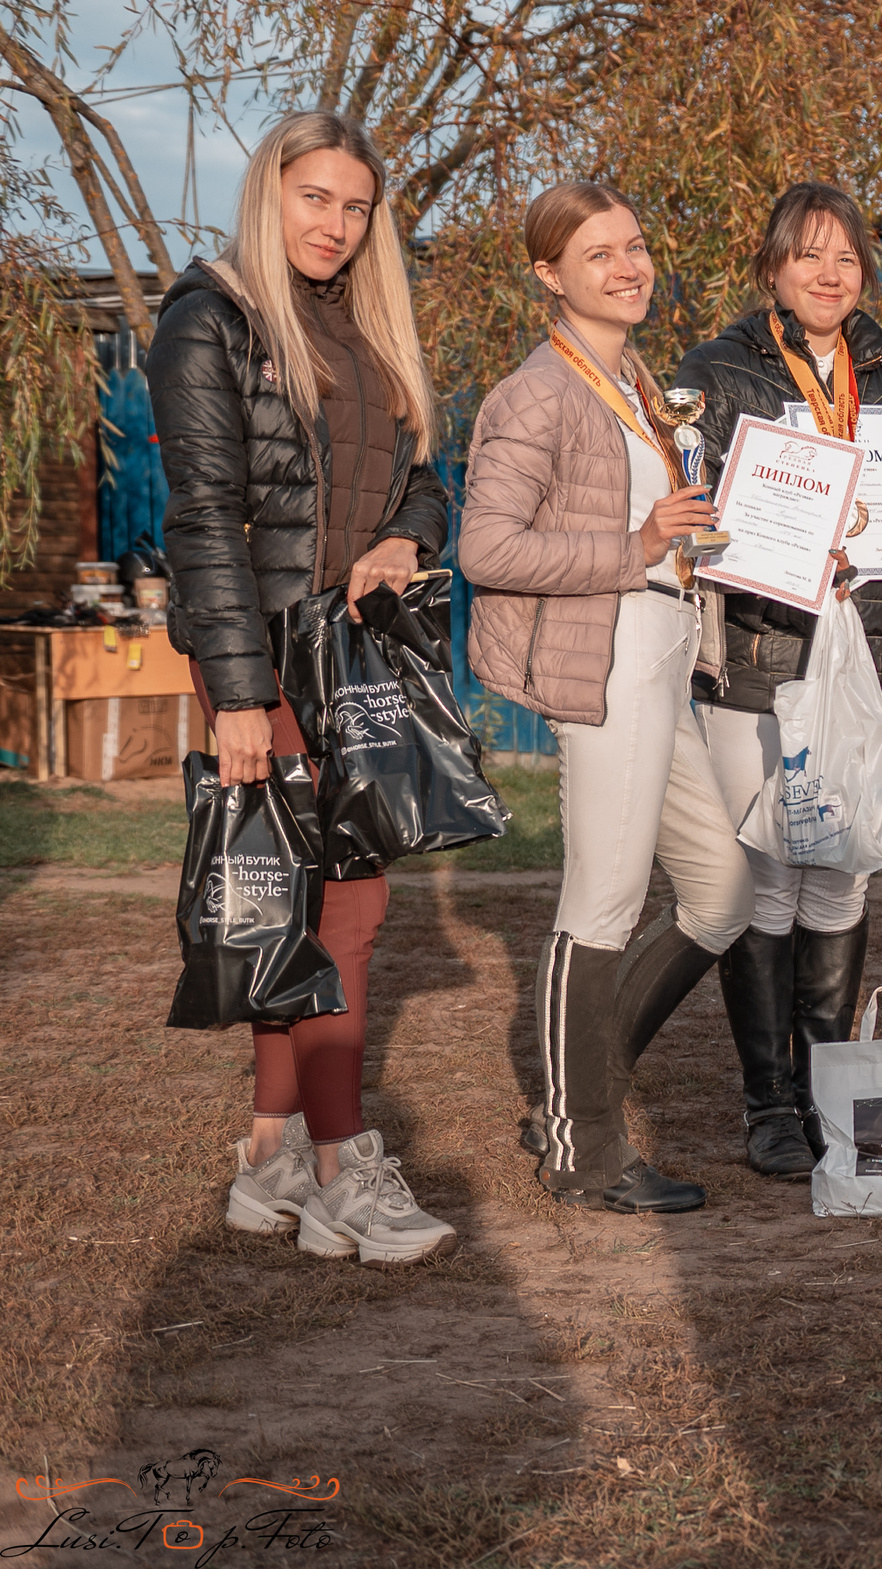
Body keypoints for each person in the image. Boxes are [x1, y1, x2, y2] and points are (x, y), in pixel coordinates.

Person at [152, 108, 459, 1265]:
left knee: (305, 904)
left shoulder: (362, 326)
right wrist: (236, 692)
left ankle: (269, 1152)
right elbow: (202, 524)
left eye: (355, 207)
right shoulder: (212, 321)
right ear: (269, 192)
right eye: (314, 198)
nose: (335, 224)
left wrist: (406, 542)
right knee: (348, 910)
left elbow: (424, 481)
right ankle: (342, 1172)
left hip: (353, 653)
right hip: (264, 655)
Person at [458, 180, 752, 1215]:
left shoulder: (636, 379)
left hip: (667, 665)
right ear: (548, 274)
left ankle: (579, 1094)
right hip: (608, 665)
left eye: (635, 246)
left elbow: (672, 526)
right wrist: (634, 547)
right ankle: (584, 1148)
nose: (629, 267)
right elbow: (485, 546)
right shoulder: (539, 392)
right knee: (603, 904)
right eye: (599, 255)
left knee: (723, 893)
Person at [669, 182, 882, 1178]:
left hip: (861, 653)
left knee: (839, 862)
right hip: (756, 651)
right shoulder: (713, 375)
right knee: (765, 869)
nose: (828, 275)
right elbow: (691, 511)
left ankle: (826, 1082)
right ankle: (768, 1099)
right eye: (807, 256)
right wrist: (757, 546)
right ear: (772, 270)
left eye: (845, 258)